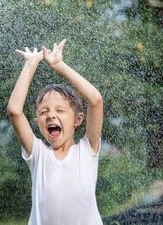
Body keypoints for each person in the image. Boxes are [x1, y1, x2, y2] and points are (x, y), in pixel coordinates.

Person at [7, 39, 104, 225]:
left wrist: (60, 66)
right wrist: (30, 65)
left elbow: (96, 100)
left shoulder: (87, 150)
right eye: (44, 112)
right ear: (37, 122)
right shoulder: (38, 155)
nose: (51, 116)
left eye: (60, 110)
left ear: (78, 119)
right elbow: (14, 111)